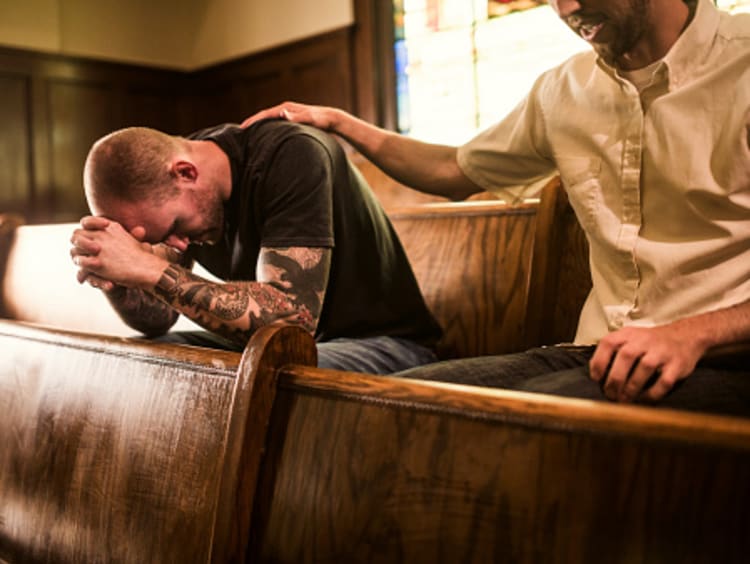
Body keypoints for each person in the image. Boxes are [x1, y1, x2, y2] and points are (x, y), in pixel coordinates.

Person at [241, 0, 750, 415]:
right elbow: (453, 171)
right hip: (595, 352)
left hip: (726, 358)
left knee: (538, 423)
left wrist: (691, 334)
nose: (566, 7)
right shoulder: (564, 91)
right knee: (396, 404)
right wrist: (340, 123)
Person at [70, 120, 442, 373]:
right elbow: (157, 320)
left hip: (389, 345)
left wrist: (146, 268)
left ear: (186, 173)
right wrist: (117, 280)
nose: (177, 245)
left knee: (269, 371)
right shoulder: (177, 186)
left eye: (176, 227)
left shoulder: (293, 155)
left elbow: (293, 320)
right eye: (157, 241)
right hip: (294, 347)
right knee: (142, 356)